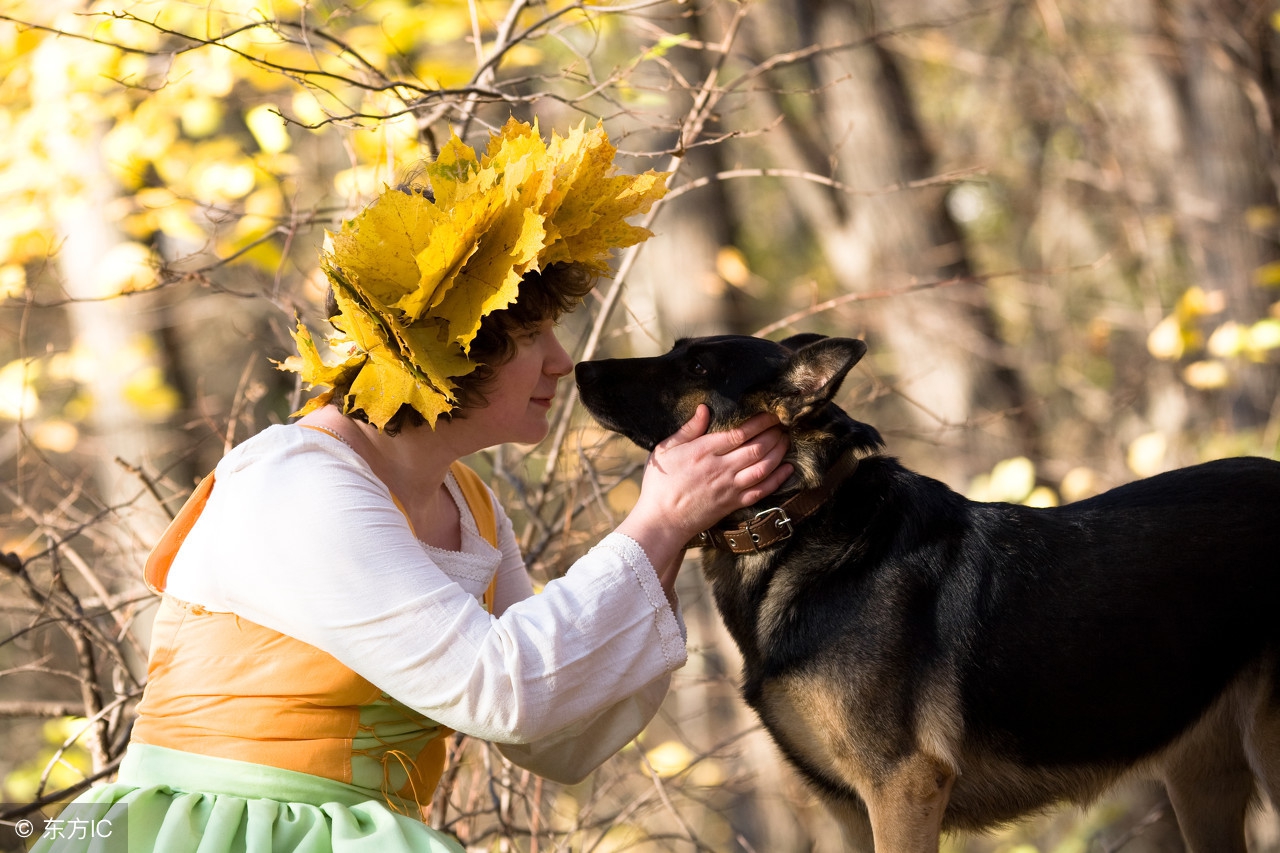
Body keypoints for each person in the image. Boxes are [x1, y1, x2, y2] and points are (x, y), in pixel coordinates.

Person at [34, 119, 790, 852]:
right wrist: (658, 519)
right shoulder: (297, 484)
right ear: (446, 350)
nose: (562, 363)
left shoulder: (471, 504)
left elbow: (556, 735)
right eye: (530, 337)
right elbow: (499, 686)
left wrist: (679, 522)